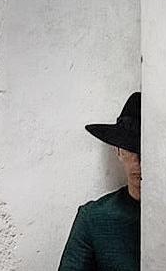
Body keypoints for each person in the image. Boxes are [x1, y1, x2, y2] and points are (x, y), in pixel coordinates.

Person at [57, 91, 141, 271]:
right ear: (118, 150)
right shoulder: (94, 218)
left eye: (145, 150)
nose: (139, 161)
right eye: (131, 149)